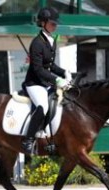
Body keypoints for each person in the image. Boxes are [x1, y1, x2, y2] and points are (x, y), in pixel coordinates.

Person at [21, 7, 72, 155]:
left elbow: (50, 65)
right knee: (43, 106)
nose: (55, 25)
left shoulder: (51, 40)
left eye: (55, 23)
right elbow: (38, 69)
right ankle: (28, 140)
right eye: (52, 23)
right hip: (34, 83)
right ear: (43, 23)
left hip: (45, 83)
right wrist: (57, 80)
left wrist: (64, 72)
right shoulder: (37, 43)